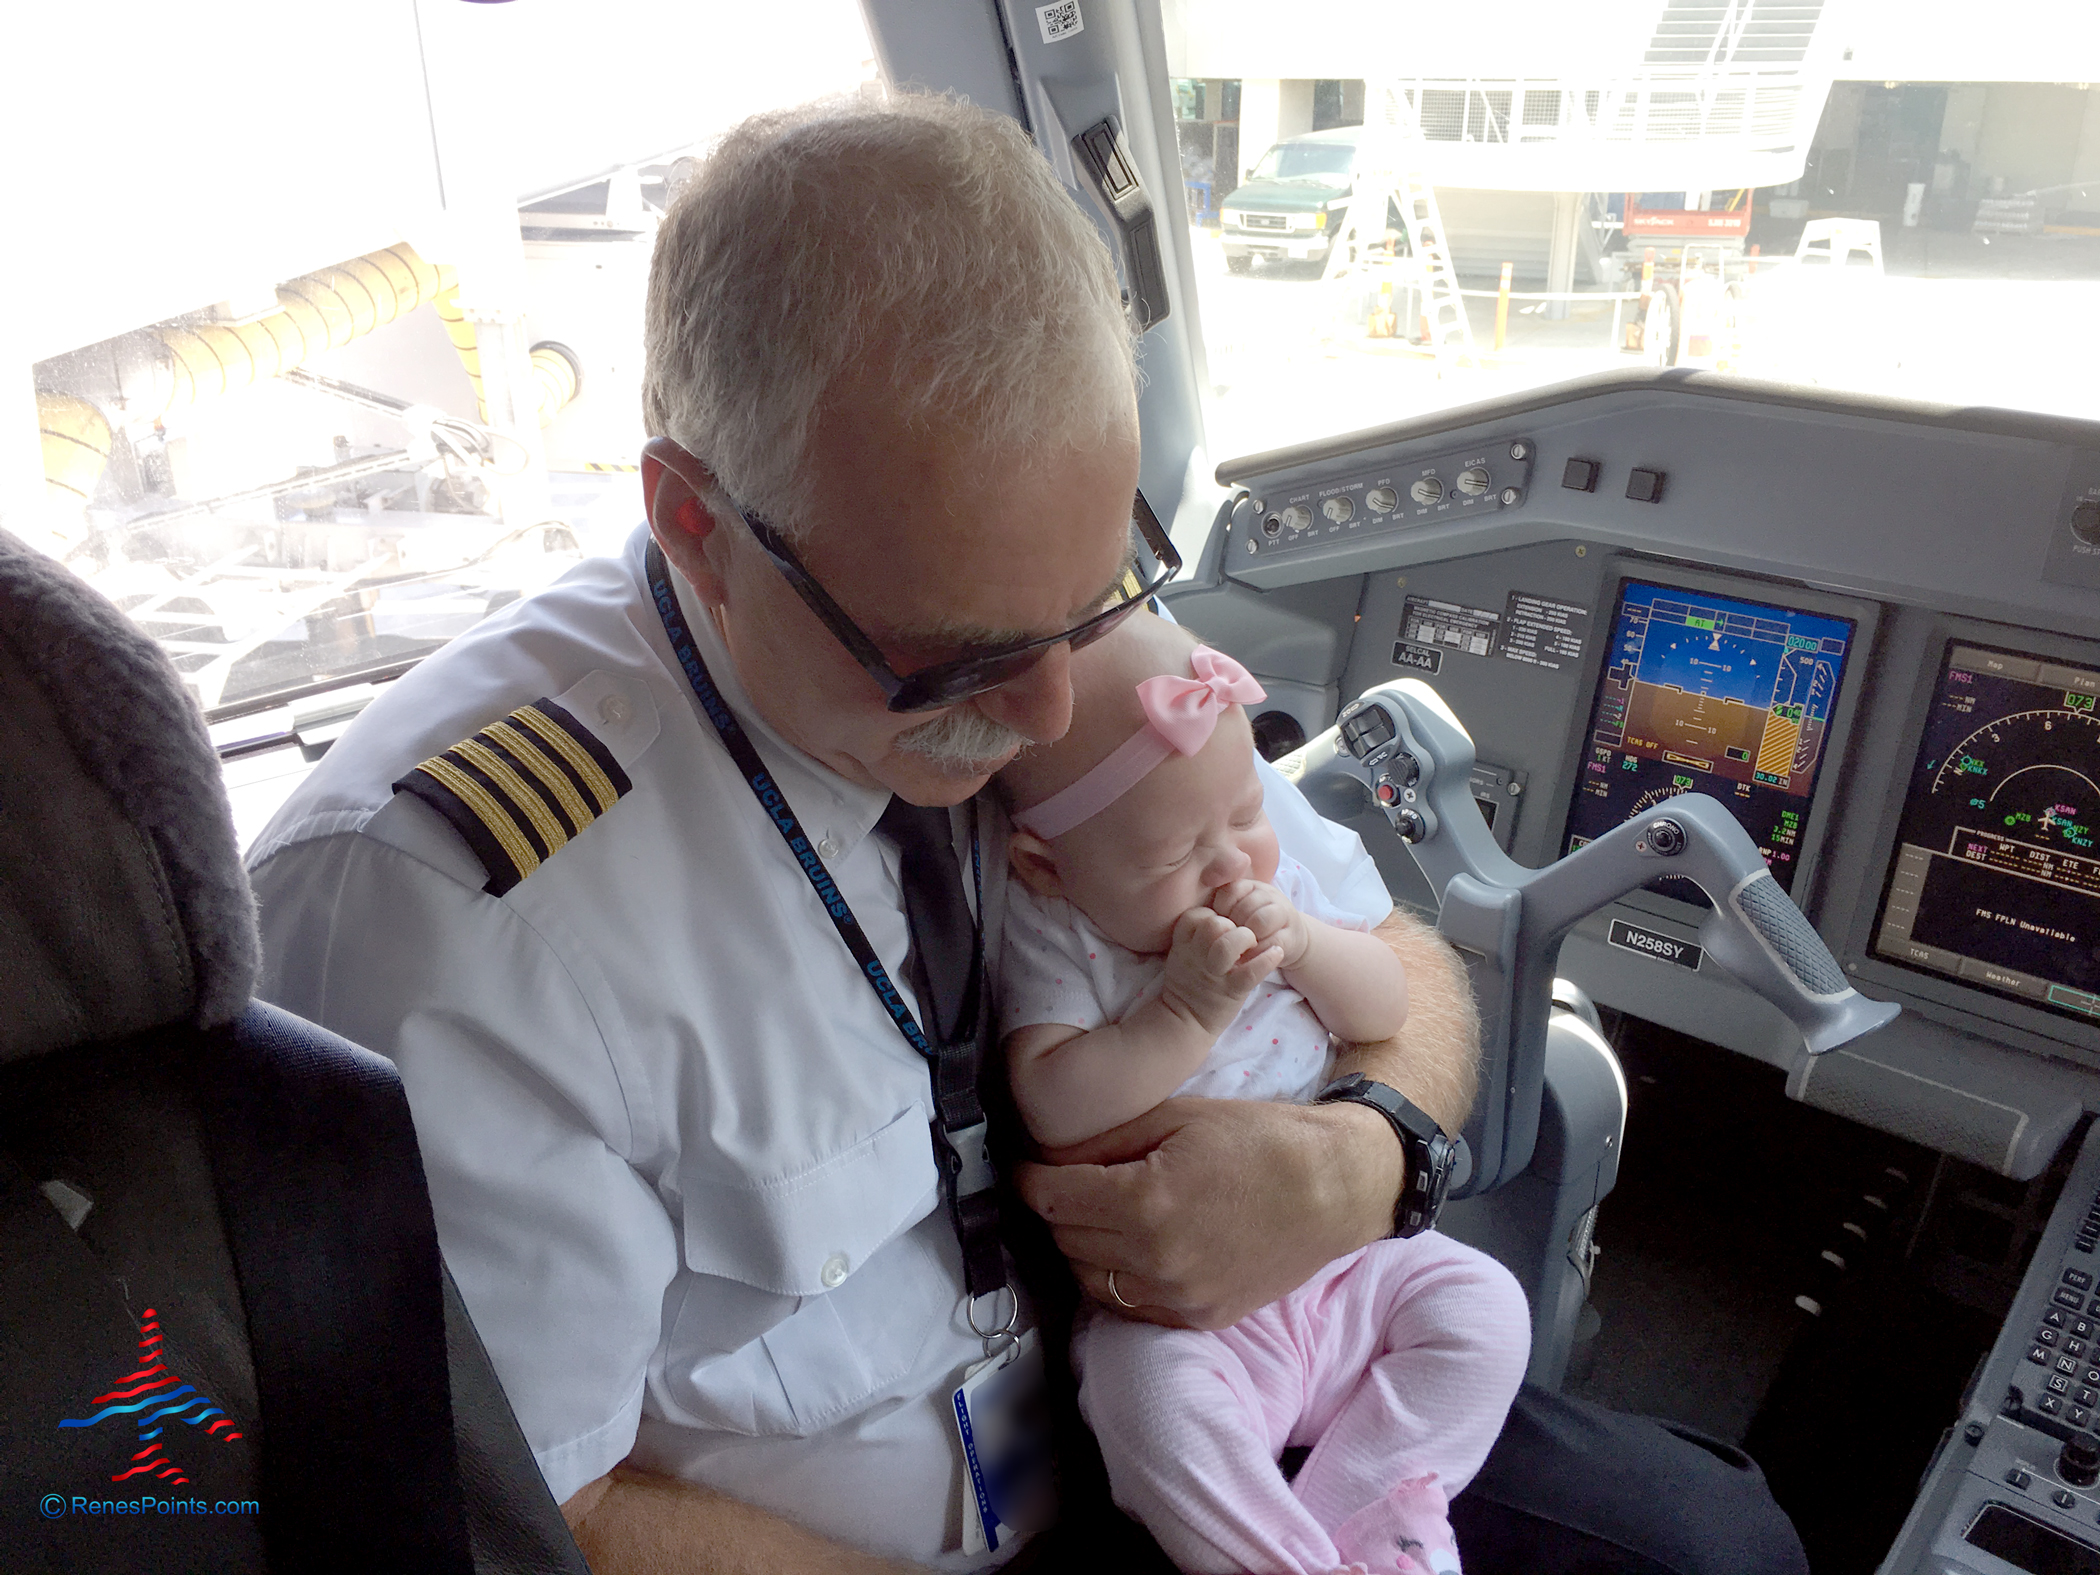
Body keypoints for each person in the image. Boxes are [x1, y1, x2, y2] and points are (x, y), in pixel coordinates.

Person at [244, 92, 1479, 1573]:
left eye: (1094, 603)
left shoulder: (1031, 589)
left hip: (1259, 1389)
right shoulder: (451, 914)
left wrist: (1361, 1155)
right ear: (696, 525)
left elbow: (1401, 951)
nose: (1044, 709)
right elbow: (533, 1509)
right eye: (953, 659)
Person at [996, 619, 1530, 1575]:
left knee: (1487, 1310)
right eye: (1174, 860)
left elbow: (1390, 999)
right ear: (1046, 862)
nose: (1233, 866)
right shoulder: (1061, 929)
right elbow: (1054, 1101)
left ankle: (1361, 1519)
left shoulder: (1266, 876)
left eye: (1246, 817)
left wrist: (1312, 944)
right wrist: (1187, 1013)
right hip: (1181, 1320)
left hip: (1346, 1264)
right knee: (1143, 1405)